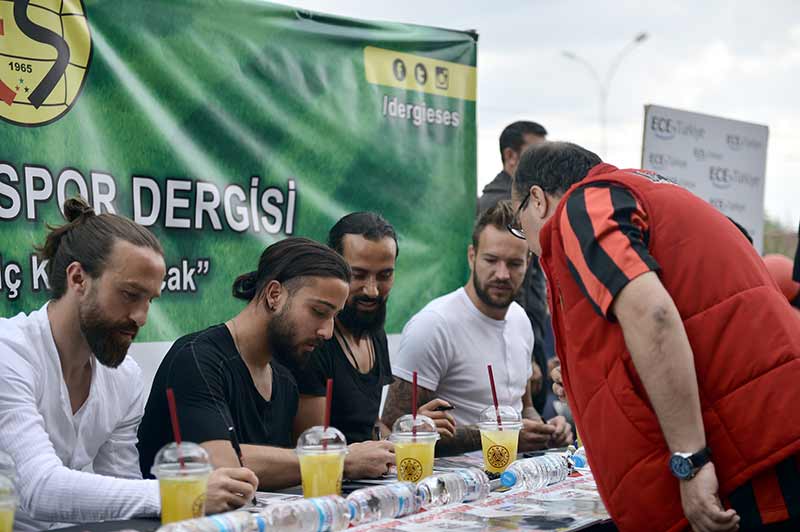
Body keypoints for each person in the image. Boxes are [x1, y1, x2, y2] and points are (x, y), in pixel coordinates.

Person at [512, 141, 800, 532]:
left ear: (537, 199)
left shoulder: (583, 205)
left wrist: (690, 461)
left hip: (761, 451)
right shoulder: (649, 193)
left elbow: (654, 315)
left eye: (518, 222)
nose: (527, 242)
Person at [0, 198, 257, 532]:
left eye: (150, 300)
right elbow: (40, 488)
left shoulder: (124, 376)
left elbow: (124, 494)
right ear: (78, 278)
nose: (142, 317)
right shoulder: (9, 352)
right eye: (130, 294)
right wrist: (183, 494)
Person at [137, 237, 395, 489]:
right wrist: (340, 460)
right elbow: (223, 466)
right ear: (274, 294)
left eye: (334, 317)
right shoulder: (197, 359)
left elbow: (282, 473)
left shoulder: (284, 379)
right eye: (319, 312)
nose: (327, 332)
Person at [382, 201, 571, 456]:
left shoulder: (520, 319)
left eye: (514, 263)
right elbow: (394, 430)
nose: (502, 274)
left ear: (528, 262)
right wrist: (501, 436)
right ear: (472, 257)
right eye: (491, 260)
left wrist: (547, 430)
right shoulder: (433, 325)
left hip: (515, 480)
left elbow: (523, 407)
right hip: (453, 488)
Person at [292, 213, 454, 443]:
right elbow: (315, 449)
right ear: (332, 267)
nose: (372, 291)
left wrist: (410, 431)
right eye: (358, 274)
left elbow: (370, 426)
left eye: (384, 275)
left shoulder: (374, 331)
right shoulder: (314, 341)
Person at [478, 120, 552, 416]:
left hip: (529, 335)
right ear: (511, 157)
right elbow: (507, 286)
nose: (544, 167)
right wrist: (527, 360)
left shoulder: (528, 202)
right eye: (536, 156)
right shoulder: (500, 206)